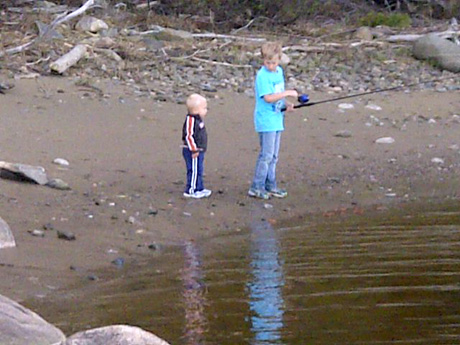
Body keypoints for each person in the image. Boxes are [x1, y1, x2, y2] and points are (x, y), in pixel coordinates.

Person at [248, 41, 298, 200]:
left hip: (277, 118)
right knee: (266, 155)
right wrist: (288, 93)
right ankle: (257, 186)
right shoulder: (262, 76)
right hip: (266, 120)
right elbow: (268, 97)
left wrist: (286, 104)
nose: (271, 65)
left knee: (274, 156)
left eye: (274, 62)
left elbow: (278, 94)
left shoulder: (279, 72)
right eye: (268, 62)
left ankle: (271, 185)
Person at [182, 93, 212, 199]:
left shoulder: (198, 120)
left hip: (199, 150)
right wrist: (194, 150)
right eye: (204, 108)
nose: (206, 110)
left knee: (199, 169)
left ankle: (199, 187)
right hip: (192, 151)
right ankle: (191, 190)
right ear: (196, 110)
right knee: (194, 170)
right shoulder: (191, 120)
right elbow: (188, 136)